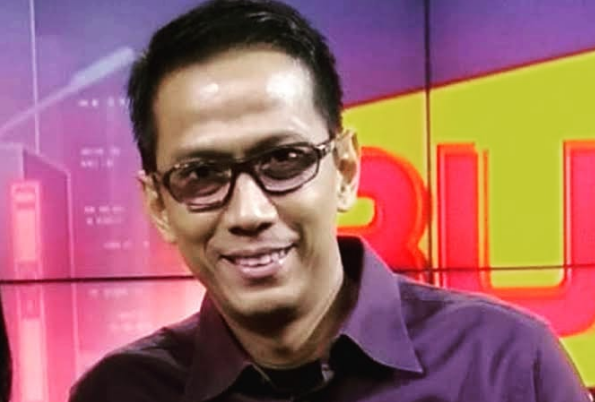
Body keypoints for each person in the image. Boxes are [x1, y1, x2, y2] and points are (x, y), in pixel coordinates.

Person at [69, 0, 590, 401]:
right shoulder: (119, 393)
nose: (249, 213)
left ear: (345, 170)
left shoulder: (505, 366)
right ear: (159, 205)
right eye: (201, 174)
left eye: (284, 159)